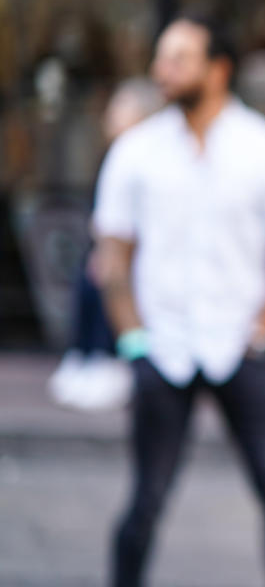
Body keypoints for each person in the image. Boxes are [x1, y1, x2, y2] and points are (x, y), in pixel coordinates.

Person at [93, 15, 265, 587]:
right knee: (145, 500)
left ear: (218, 69)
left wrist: (262, 333)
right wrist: (133, 340)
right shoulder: (136, 151)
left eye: (177, 58)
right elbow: (112, 255)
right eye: (161, 57)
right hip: (161, 346)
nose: (159, 70)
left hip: (241, 344)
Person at [48, 78, 163, 412]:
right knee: (88, 287)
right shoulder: (117, 154)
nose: (110, 115)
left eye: (120, 106)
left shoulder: (146, 156)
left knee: (105, 287)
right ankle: (84, 358)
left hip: (140, 258)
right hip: (111, 252)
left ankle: (110, 361)